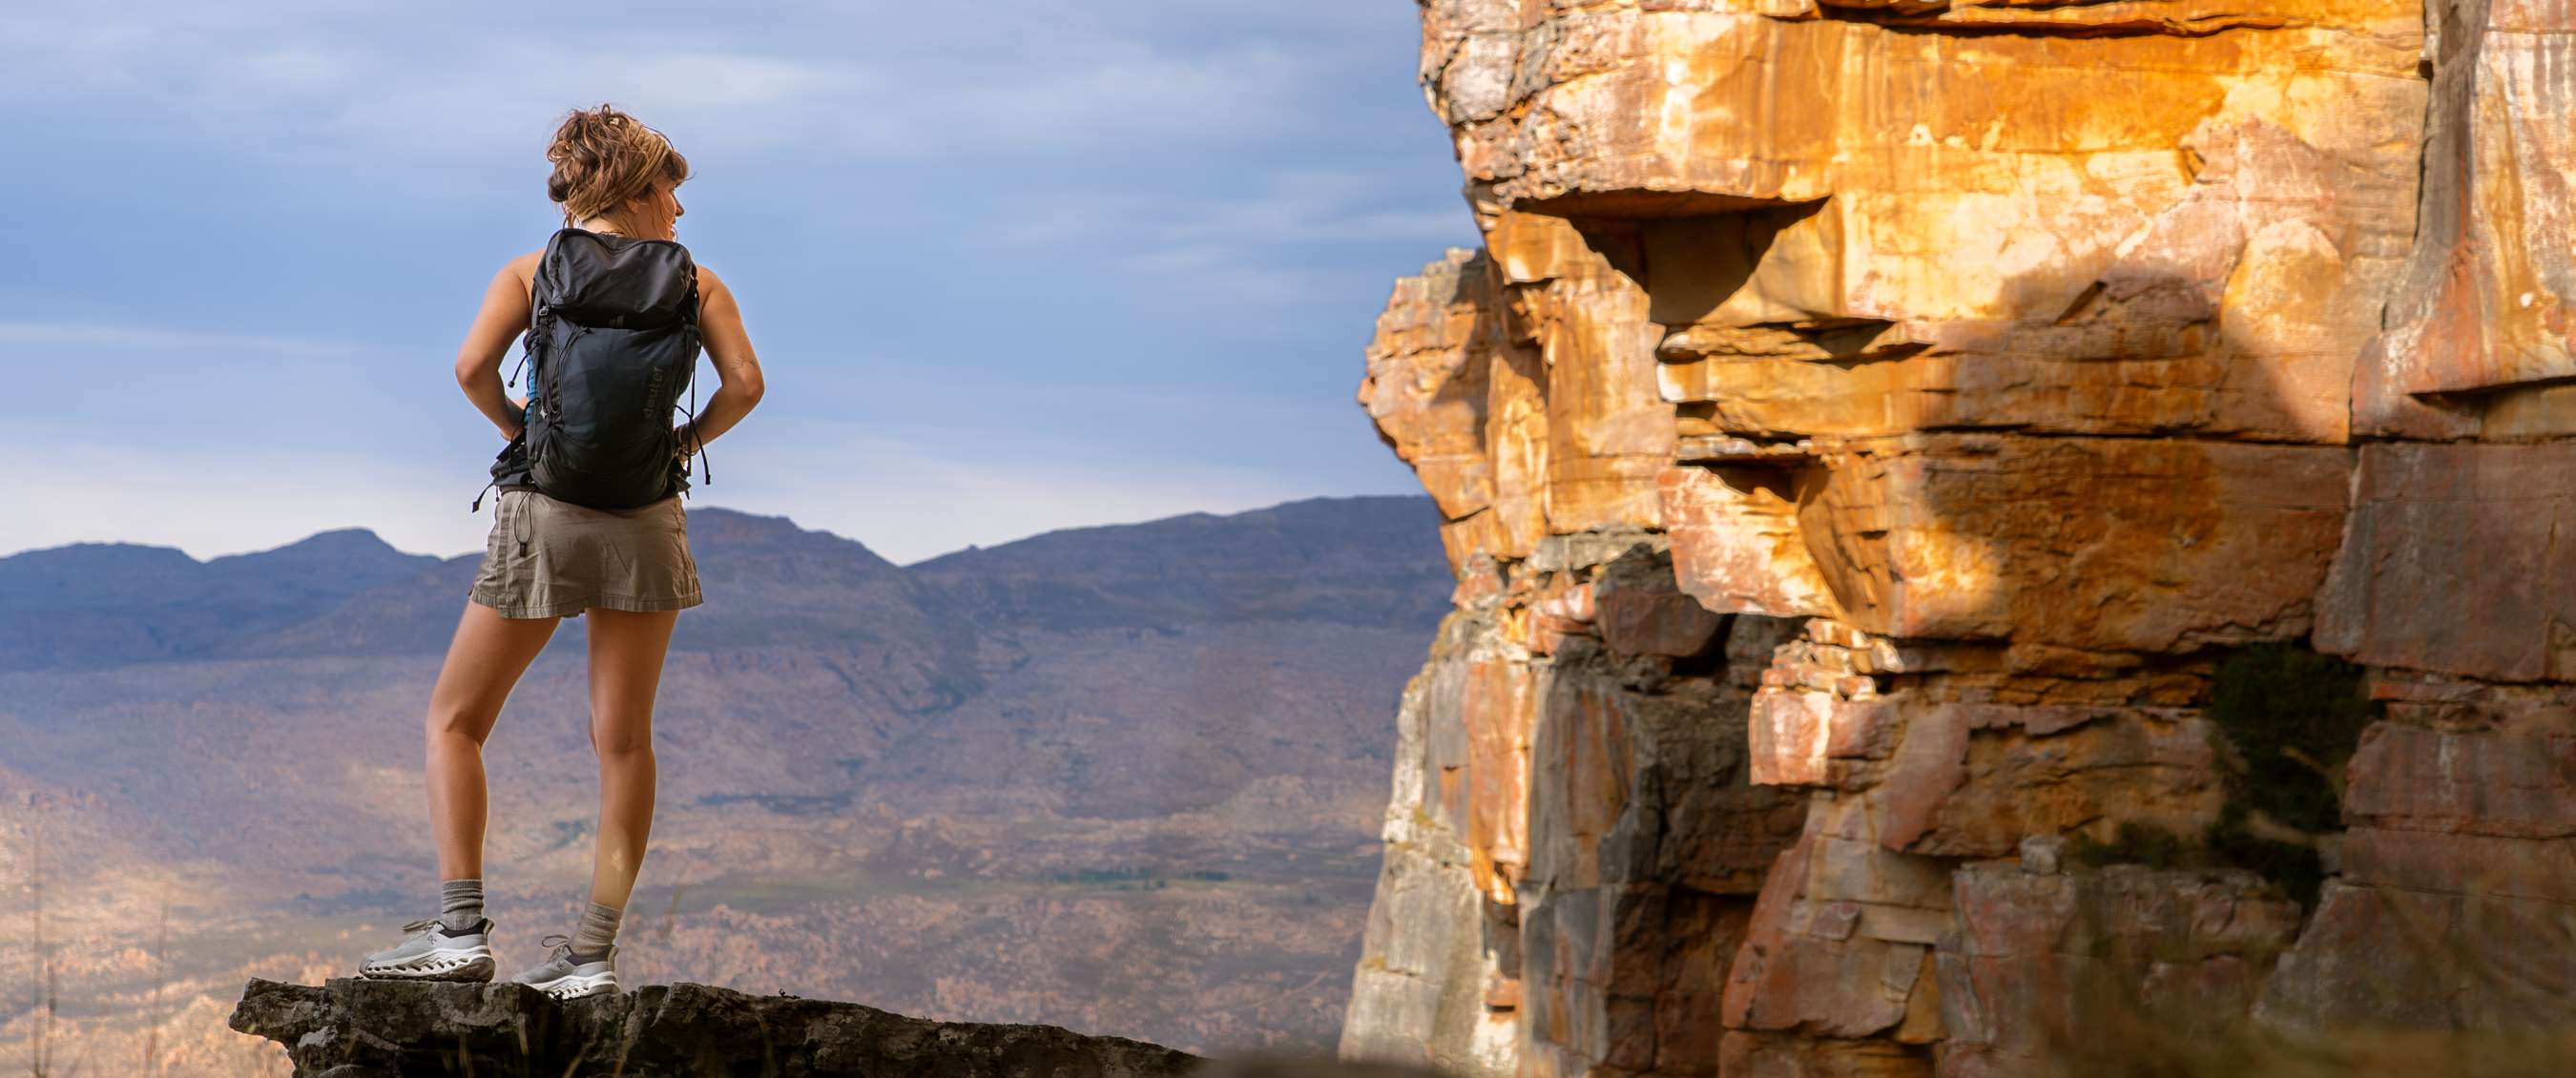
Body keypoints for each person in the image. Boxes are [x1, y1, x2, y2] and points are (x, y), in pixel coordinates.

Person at [355, 104, 765, 999]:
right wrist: (679, 447)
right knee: (622, 742)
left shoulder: (531, 269)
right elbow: (747, 386)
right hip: (647, 520)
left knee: (454, 722)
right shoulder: (699, 285)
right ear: (636, 184)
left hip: (545, 513)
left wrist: (524, 433)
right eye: (672, 190)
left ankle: (461, 930)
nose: (680, 213)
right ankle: (590, 954)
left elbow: (470, 369)